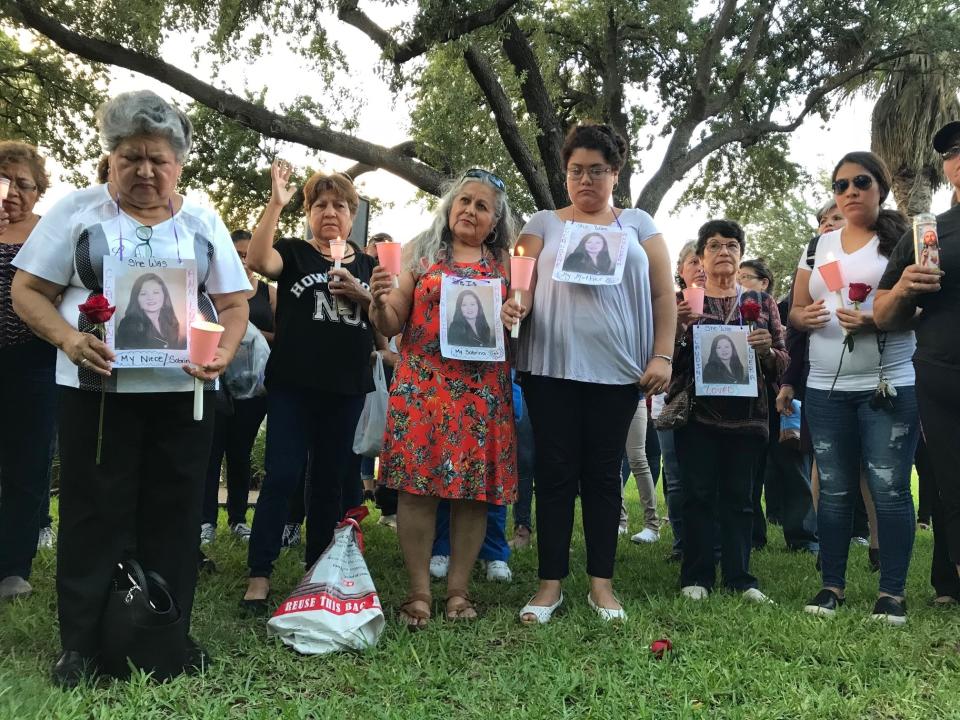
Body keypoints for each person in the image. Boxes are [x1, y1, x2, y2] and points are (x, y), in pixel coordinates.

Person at [11, 90, 250, 686]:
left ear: (180, 164)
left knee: (172, 513)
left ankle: (163, 635)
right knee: (95, 513)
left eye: (158, 159)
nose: (145, 171)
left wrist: (221, 351)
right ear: (111, 158)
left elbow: (235, 302)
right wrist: (68, 339)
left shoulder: (203, 223)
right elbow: (27, 291)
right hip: (95, 394)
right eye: (131, 158)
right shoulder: (78, 213)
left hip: (183, 394)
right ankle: (82, 645)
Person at [501, 123, 676, 624]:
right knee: (554, 473)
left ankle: (602, 585)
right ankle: (548, 586)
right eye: (577, 170)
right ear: (566, 172)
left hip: (620, 371)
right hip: (550, 367)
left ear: (615, 173)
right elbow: (522, 280)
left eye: (597, 170)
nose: (586, 180)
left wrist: (661, 355)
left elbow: (665, 294)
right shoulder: (542, 223)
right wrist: (516, 306)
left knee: (603, 474)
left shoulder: (639, 224)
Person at [369, 167, 517, 627]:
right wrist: (376, 301)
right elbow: (391, 323)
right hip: (423, 388)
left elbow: (521, 329)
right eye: (464, 201)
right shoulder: (420, 255)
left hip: (481, 394)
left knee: (473, 495)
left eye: (482, 206)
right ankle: (418, 594)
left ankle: (457, 592)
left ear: (495, 222)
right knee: (417, 491)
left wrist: (517, 313)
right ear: (450, 206)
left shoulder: (506, 265)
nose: (470, 210)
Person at [242, 160, 380, 613]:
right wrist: (274, 204)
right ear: (308, 213)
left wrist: (365, 294)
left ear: (352, 212)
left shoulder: (369, 264)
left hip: (345, 389)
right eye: (320, 204)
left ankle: (315, 571)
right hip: (293, 387)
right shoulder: (296, 252)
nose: (329, 213)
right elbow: (260, 261)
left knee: (328, 483)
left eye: (339, 205)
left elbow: (385, 325)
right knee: (282, 475)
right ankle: (259, 573)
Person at [790, 151, 917, 625]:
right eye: (840, 185)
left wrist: (873, 321)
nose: (849, 192)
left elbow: (923, 310)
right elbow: (796, 312)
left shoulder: (900, 242)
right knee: (837, 489)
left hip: (888, 385)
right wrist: (805, 316)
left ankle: (892, 594)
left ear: (880, 186)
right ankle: (831, 586)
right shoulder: (816, 248)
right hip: (825, 388)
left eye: (860, 182)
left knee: (889, 490)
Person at [667, 219, 787, 603]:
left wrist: (767, 349)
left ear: (740, 254)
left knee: (741, 497)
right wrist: (678, 329)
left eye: (732, 245)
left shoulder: (761, 303)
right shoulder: (683, 302)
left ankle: (740, 577)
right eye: (714, 245)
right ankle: (697, 576)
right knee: (698, 494)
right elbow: (662, 359)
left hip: (749, 417)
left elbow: (784, 363)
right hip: (698, 416)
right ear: (701, 256)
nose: (723, 252)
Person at [874, 120, 960, 606]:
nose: (958, 156)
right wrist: (905, 288)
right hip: (943, 370)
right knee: (952, 481)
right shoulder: (928, 232)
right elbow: (884, 314)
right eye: (951, 151)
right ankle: (949, 583)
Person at [0, 141, 57, 601]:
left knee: (27, 466)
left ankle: (13, 567)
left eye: (25, 184)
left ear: (39, 192)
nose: (14, 192)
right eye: (5, 181)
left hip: (34, 362)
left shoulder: (49, 233)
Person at [199, 229, 276, 545]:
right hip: (214, 381)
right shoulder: (211, 290)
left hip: (252, 388)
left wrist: (249, 333)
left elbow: (281, 336)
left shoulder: (268, 293)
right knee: (211, 451)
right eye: (236, 253)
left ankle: (238, 518)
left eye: (247, 254)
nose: (242, 260)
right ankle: (205, 521)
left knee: (240, 452)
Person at [115, 272, 186, 349]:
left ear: (164, 295)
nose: (150, 297)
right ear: (136, 298)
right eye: (143, 293)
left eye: (156, 292)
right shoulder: (129, 325)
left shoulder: (170, 322)